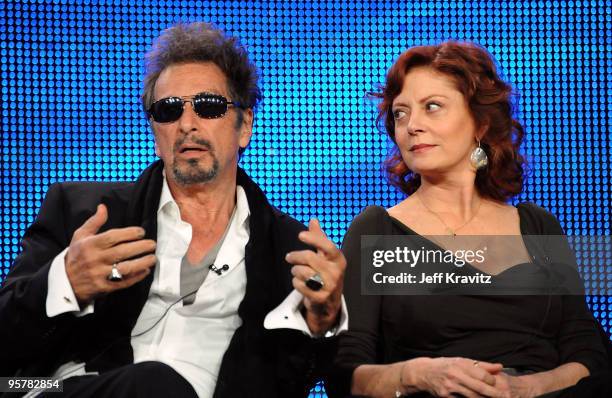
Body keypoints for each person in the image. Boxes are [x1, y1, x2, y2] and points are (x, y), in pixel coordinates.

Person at [0, 22, 347, 397]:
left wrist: (322, 322)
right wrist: (64, 282)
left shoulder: (291, 251)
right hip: (61, 389)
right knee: (153, 383)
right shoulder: (85, 213)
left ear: (244, 125)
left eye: (208, 106)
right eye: (168, 110)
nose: (186, 124)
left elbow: (302, 380)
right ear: (154, 132)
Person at [329, 41, 610, 397]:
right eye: (400, 113)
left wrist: (524, 388)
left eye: (432, 107)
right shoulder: (377, 231)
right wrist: (416, 374)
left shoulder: (538, 226)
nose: (412, 125)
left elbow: (588, 354)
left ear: (479, 122)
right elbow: (345, 374)